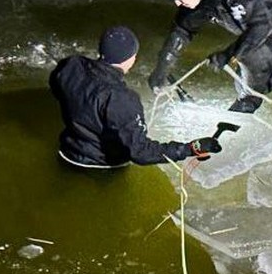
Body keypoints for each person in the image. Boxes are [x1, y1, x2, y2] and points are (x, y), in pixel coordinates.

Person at [49, 25, 222, 168]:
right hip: (100, 166)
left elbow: (57, 89)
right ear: (131, 58)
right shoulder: (121, 98)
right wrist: (190, 148)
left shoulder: (71, 65)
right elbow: (141, 153)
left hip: (67, 153)